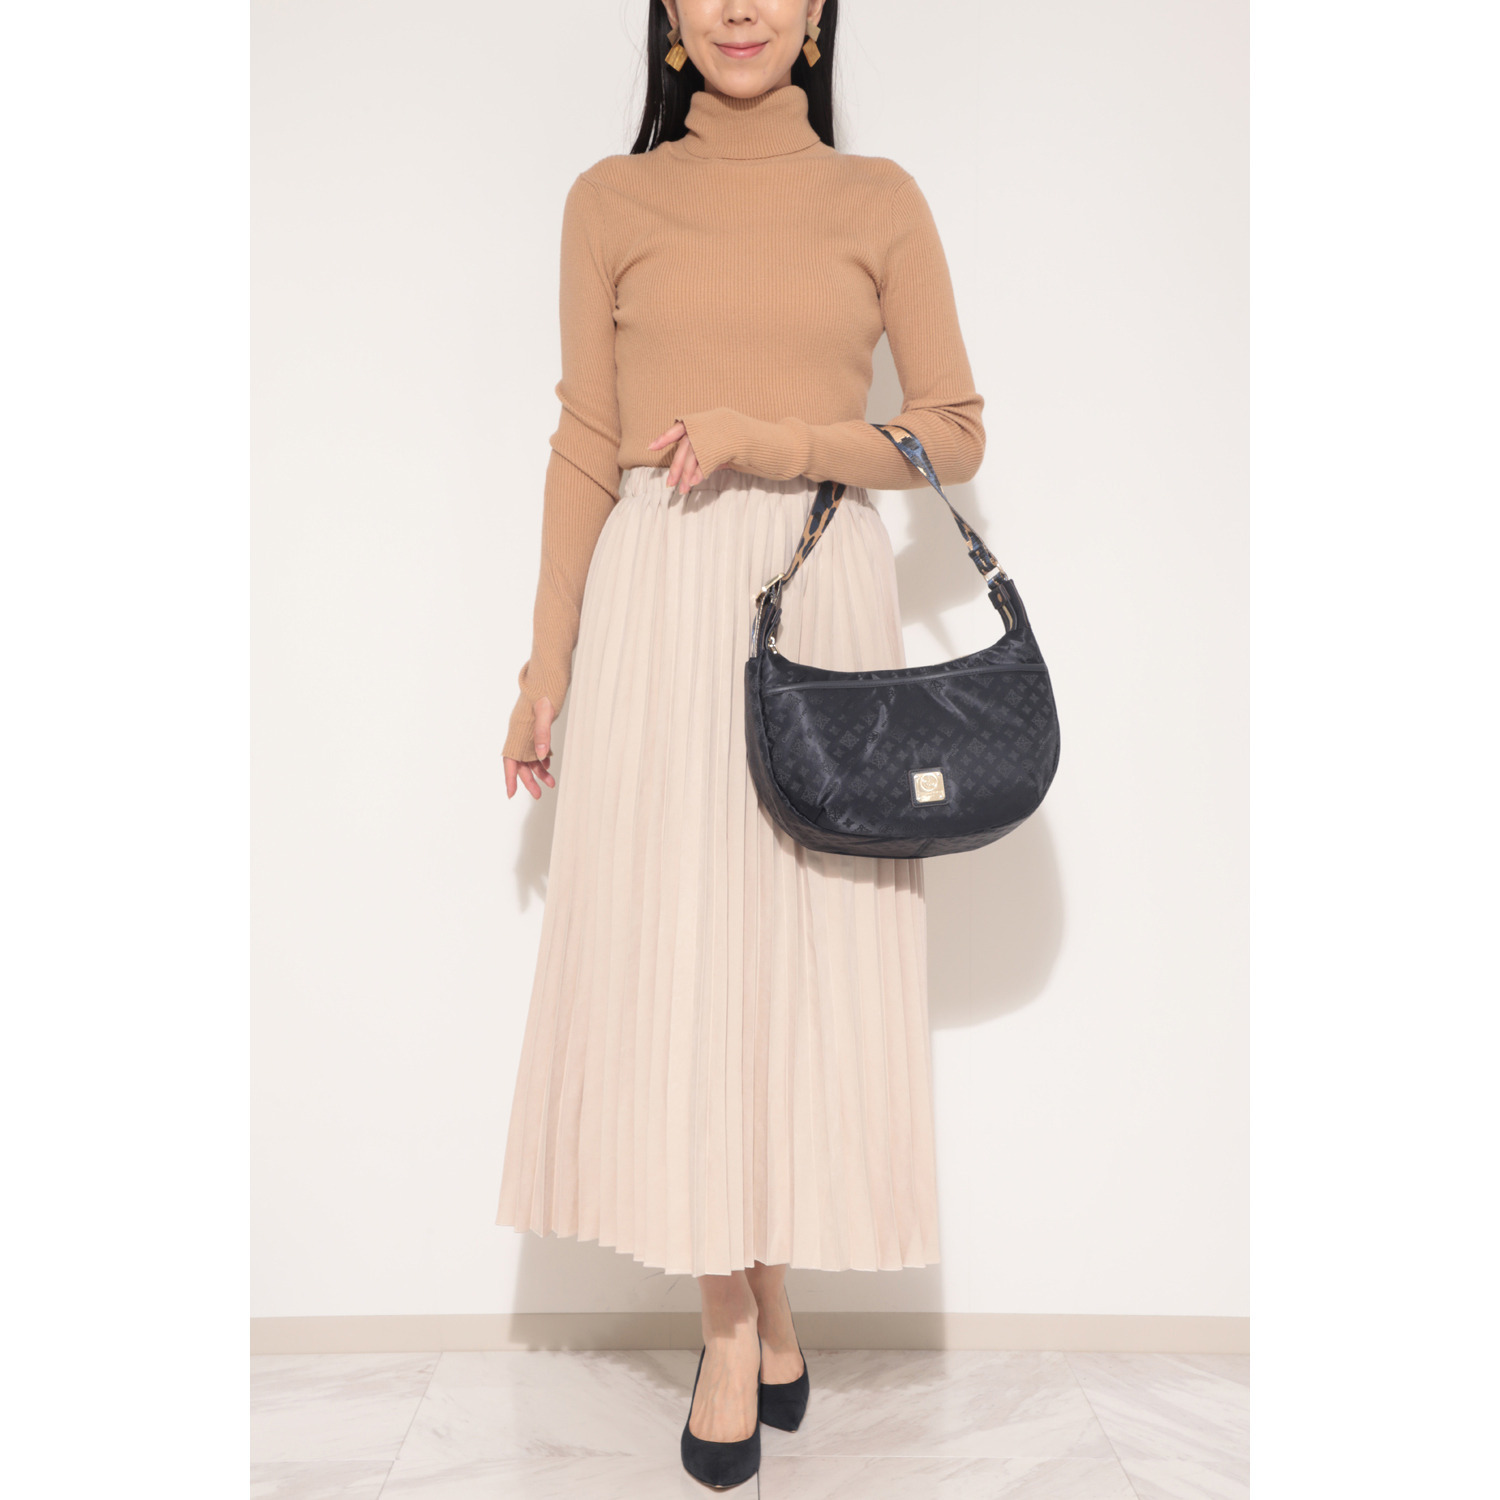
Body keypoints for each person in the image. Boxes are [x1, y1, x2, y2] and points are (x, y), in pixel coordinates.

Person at [495, 1, 985, 1487]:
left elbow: (951, 432)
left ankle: (770, 1301)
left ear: (822, 11)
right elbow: (587, 440)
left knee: (793, 962)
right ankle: (730, 1322)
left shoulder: (877, 198)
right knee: (686, 960)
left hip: (821, 596)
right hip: (659, 602)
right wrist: (545, 660)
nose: (741, 6)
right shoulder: (611, 200)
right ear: (666, 14)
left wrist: (778, 440)